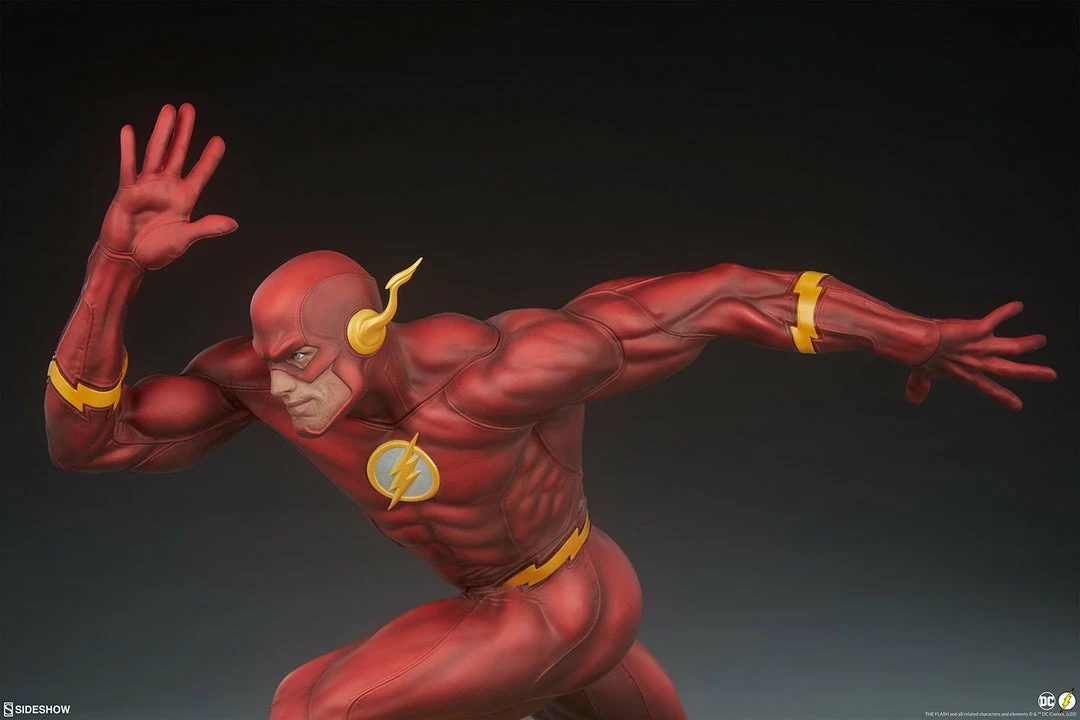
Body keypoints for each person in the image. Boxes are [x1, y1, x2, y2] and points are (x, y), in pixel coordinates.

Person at [44, 104, 1057, 720]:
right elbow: (89, 443)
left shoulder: (503, 373)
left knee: (313, 707)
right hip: (525, 615)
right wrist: (113, 268)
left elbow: (724, 296)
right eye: (272, 363)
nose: (285, 385)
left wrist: (911, 335)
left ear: (369, 329)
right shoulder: (263, 383)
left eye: (303, 360)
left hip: (563, 601)